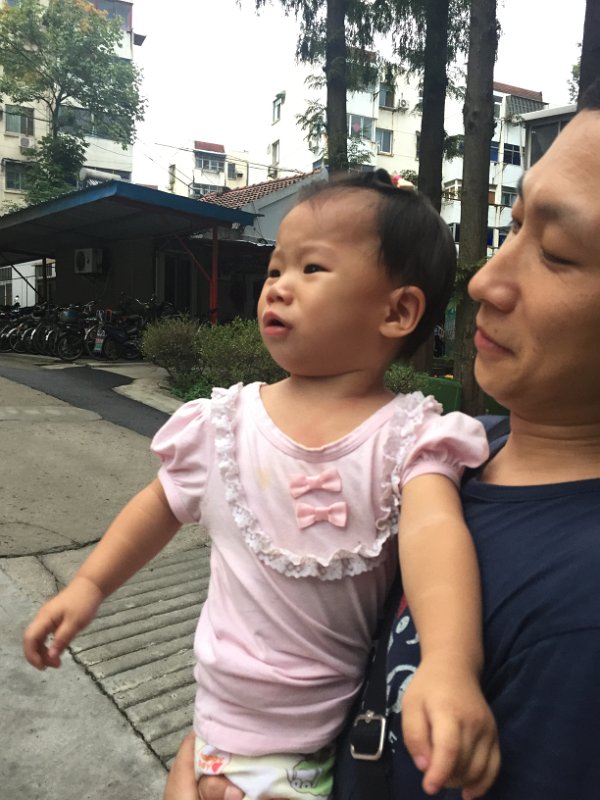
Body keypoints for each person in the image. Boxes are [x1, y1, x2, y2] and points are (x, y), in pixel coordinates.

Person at [166, 80, 600, 800]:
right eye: (516, 225)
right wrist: (228, 751)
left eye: (555, 251)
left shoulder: (580, 617)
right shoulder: (459, 446)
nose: (485, 281)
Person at [23, 170, 499, 800]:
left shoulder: (408, 437)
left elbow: (436, 537)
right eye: (276, 268)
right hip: (217, 721)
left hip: (323, 741)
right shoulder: (224, 423)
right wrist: (89, 584)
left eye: (311, 268)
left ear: (397, 311)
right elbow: (159, 503)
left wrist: (449, 663)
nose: (277, 286)